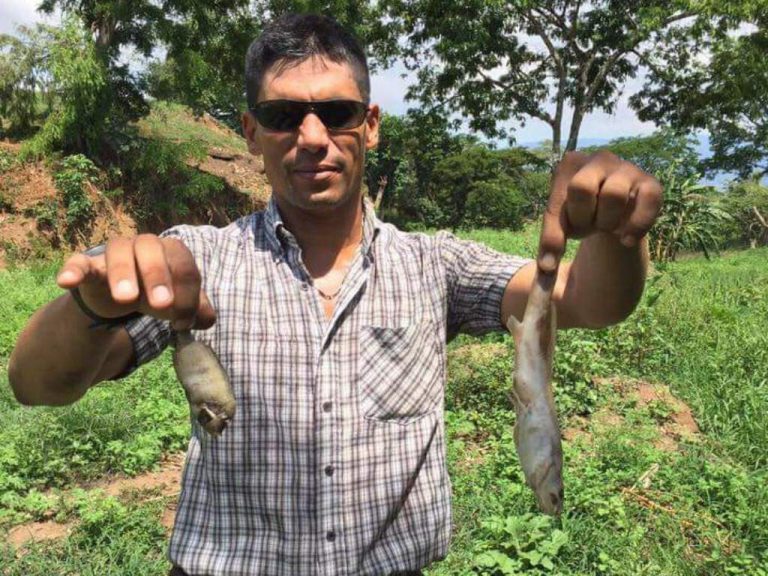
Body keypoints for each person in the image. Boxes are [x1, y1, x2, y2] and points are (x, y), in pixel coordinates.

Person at [8, 13, 662, 576]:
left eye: (338, 113)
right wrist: (93, 305)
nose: (313, 137)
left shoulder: (434, 265)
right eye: (282, 116)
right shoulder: (195, 263)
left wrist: (618, 230)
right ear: (250, 132)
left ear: (370, 125)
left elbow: (585, 301)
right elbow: (36, 385)